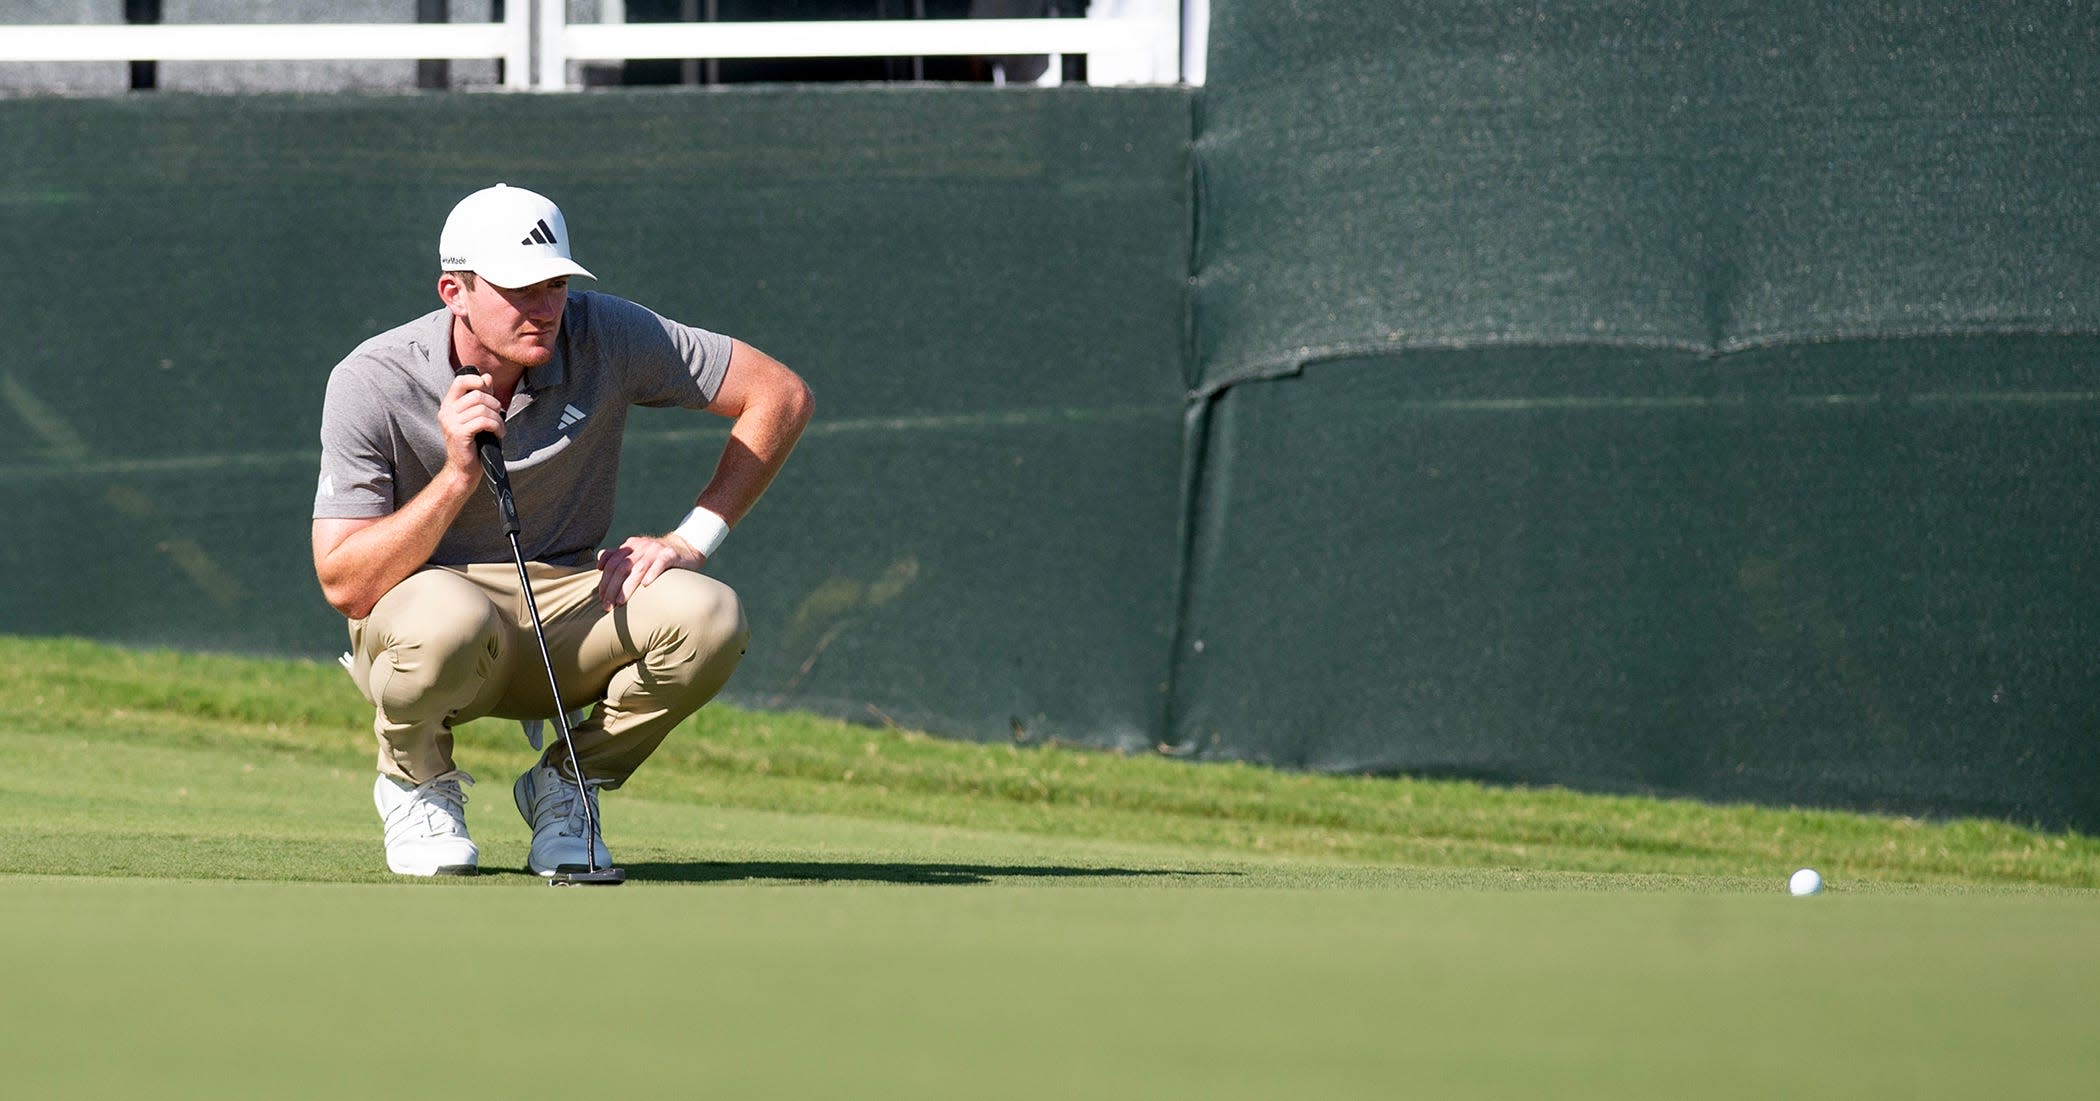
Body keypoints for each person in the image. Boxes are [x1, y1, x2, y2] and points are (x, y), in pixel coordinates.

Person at [311, 183, 813, 877]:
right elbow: (345, 583)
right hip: (426, 615)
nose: (545, 308)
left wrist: (690, 538)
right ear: (453, 291)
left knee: (710, 616)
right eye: (520, 289)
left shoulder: (603, 331)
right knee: (447, 621)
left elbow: (778, 395)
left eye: (555, 285)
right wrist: (457, 472)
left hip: (566, 609)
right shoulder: (371, 379)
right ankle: (415, 778)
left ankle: (568, 782)